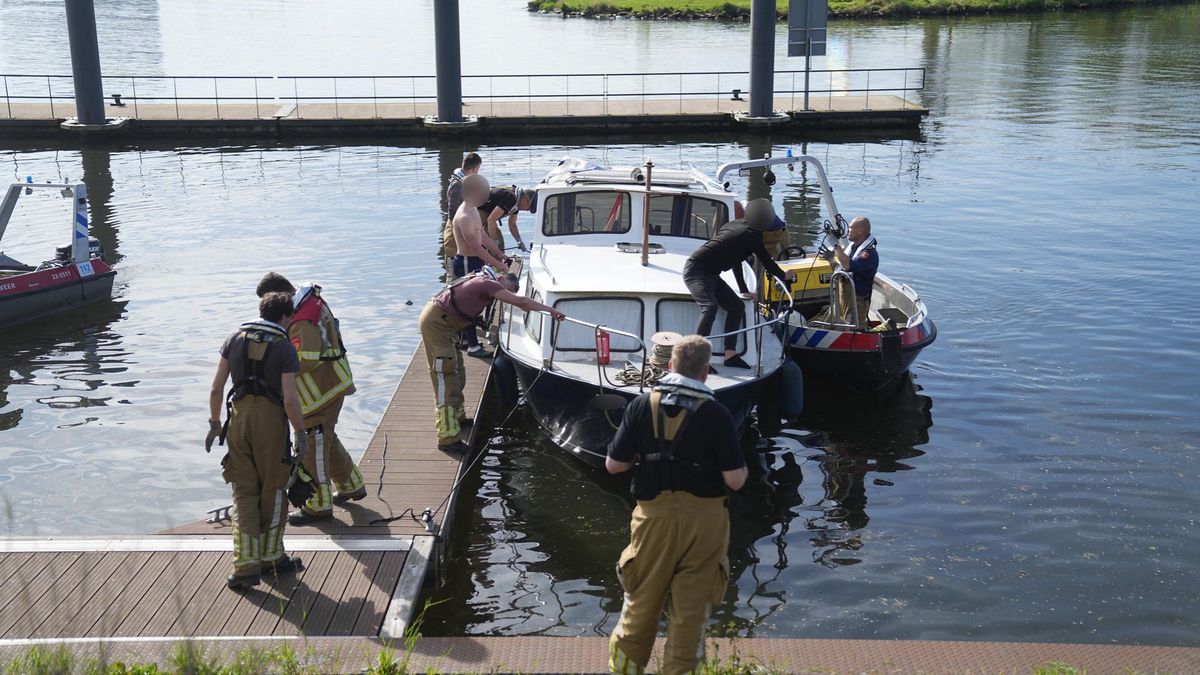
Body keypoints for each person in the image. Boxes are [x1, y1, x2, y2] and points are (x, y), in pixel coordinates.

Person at [605, 335, 748, 675]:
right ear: (705, 372)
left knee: (639, 605)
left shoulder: (642, 405)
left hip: (653, 518)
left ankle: (624, 670)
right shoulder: (716, 413)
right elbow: (735, 480)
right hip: (705, 524)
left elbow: (614, 465)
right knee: (691, 615)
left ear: (669, 365)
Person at [205, 292, 307, 589]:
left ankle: (245, 566)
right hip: (270, 422)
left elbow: (215, 389)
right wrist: (300, 434)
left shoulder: (234, 339)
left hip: (237, 420)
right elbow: (290, 398)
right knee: (274, 487)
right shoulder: (285, 347)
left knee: (244, 491)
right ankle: (272, 557)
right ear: (286, 317)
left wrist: (214, 424)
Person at [253, 273, 368, 526]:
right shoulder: (310, 303)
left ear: (283, 295)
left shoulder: (303, 320)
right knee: (325, 437)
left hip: (320, 390)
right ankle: (351, 485)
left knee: (313, 447)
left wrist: (272, 366)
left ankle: (317, 506)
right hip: (330, 385)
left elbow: (306, 357)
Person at [419, 268, 564, 454]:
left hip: (447, 325)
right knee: (445, 381)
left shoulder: (483, 279)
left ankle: (458, 418)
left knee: (458, 373)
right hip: (437, 326)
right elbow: (521, 302)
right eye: (508, 289)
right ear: (502, 278)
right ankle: (447, 438)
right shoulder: (487, 283)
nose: (506, 294)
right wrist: (550, 310)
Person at [683, 199, 796, 371]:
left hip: (711, 273)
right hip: (696, 270)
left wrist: (743, 290)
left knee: (736, 306)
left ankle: (730, 355)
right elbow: (768, 263)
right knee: (710, 306)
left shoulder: (735, 225)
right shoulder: (752, 236)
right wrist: (784, 275)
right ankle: (695, 359)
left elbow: (736, 260)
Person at [452, 175, 510, 357]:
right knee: (469, 304)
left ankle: (466, 336)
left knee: (480, 301)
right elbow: (476, 248)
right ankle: (472, 346)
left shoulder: (474, 210)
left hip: (477, 262)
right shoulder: (465, 215)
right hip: (466, 262)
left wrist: (499, 252)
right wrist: (498, 264)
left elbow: (483, 235)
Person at [829, 216, 878, 327]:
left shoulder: (869, 254)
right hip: (843, 297)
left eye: (850, 228)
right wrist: (831, 260)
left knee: (854, 330)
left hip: (857, 300)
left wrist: (836, 246)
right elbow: (840, 271)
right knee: (830, 319)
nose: (847, 231)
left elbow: (848, 266)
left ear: (860, 230)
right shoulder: (853, 247)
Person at [442, 152, 483, 266]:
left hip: (459, 231)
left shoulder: (460, 182)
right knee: (453, 275)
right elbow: (452, 215)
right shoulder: (458, 186)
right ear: (474, 169)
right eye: (478, 169)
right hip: (453, 235)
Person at [479, 185, 534, 253]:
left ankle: (497, 261)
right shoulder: (510, 198)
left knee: (499, 243)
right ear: (525, 200)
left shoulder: (517, 204)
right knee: (492, 243)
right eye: (528, 208)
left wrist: (519, 241)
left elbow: (512, 224)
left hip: (488, 215)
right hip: (478, 210)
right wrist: (494, 242)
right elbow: (491, 219)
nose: (526, 210)